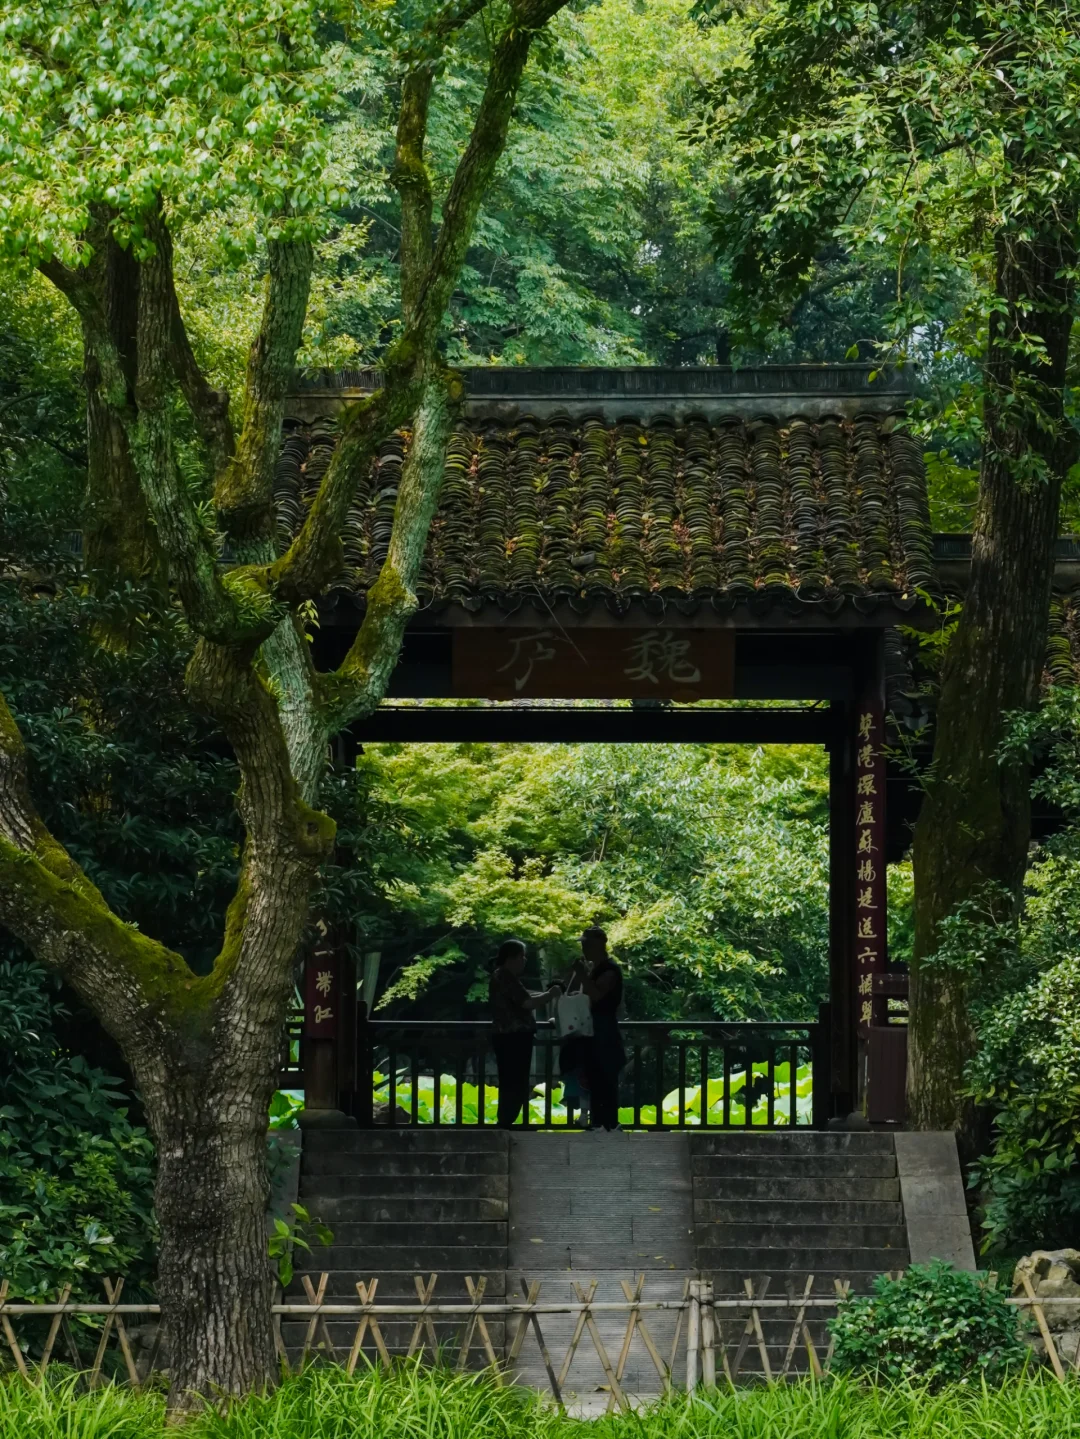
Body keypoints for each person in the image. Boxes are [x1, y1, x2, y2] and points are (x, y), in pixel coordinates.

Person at [489, 939, 558, 1128]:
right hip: (512, 1038)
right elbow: (527, 1003)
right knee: (514, 1081)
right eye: (521, 956)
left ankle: (507, 1120)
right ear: (511, 958)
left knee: (513, 1080)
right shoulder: (504, 976)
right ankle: (505, 1121)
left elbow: (525, 996)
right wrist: (550, 995)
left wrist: (545, 994)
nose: (524, 960)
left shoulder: (504, 976)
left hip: (511, 1037)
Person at [569, 926, 626, 1131]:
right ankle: (598, 1122)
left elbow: (597, 995)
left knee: (606, 1077)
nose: (584, 947)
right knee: (595, 1077)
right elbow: (576, 995)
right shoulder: (595, 969)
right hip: (593, 1031)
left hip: (605, 1031)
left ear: (599, 944)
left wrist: (582, 974)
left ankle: (608, 1123)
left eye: (587, 943)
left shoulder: (610, 969)